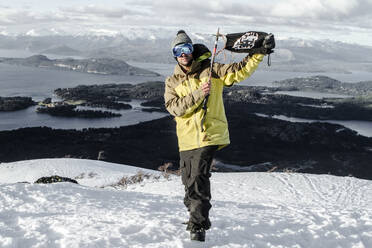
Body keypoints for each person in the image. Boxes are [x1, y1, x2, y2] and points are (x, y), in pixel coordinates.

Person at [164, 30, 273, 242]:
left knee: (198, 179)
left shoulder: (211, 69)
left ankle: (197, 228)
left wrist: (259, 51)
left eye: (186, 49)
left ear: (192, 51)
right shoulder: (172, 81)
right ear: (174, 54)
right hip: (186, 139)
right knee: (188, 183)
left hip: (209, 134)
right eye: (178, 51)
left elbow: (238, 71)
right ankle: (199, 217)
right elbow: (174, 108)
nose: (183, 54)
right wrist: (198, 94)